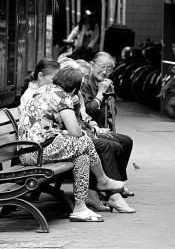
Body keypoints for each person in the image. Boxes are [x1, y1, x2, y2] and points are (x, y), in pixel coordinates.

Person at [18, 67, 125, 222]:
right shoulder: (63, 97)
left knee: (81, 155)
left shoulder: (44, 89)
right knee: (84, 141)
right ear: (74, 87)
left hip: (30, 149)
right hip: (36, 152)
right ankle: (102, 180)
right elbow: (75, 131)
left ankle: (80, 207)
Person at [60, 59, 136, 213]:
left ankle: (109, 185)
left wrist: (93, 125)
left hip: (78, 133)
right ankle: (109, 192)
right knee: (105, 145)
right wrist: (100, 95)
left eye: (109, 68)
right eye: (81, 78)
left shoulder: (75, 93)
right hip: (60, 140)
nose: (83, 81)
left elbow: (86, 116)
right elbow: (85, 115)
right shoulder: (63, 95)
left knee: (122, 142)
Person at [81, 53, 134, 196]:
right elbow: (89, 110)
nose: (104, 72)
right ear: (93, 64)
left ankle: (120, 181)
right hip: (90, 128)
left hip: (99, 127)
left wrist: (109, 96)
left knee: (127, 141)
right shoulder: (85, 83)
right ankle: (114, 188)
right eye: (101, 67)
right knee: (114, 144)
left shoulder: (105, 83)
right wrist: (101, 92)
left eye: (109, 69)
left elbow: (111, 113)